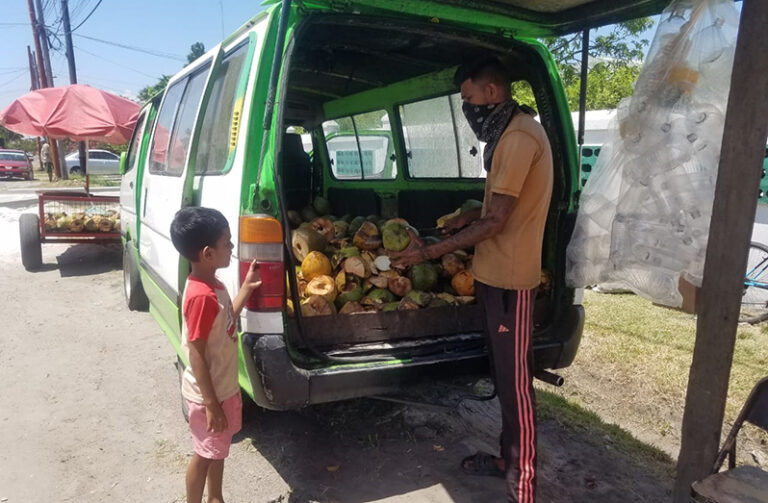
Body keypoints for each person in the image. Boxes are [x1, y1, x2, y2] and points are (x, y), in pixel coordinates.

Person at [391, 57, 553, 503]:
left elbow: (499, 220)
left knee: (516, 384)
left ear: (492, 93)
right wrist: (466, 215)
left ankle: (523, 485)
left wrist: (425, 252)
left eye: (468, 99)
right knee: (503, 376)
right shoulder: (508, 132)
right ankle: (507, 458)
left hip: (510, 283)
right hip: (492, 276)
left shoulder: (519, 137)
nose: (467, 108)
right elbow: (500, 204)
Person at [170, 207, 262, 503]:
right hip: (208, 396)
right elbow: (194, 351)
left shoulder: (213, 285)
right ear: (208, 253)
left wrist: (245, 289)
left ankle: (216, 498)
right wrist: (211, 404)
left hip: (223, 388)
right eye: (228, 243)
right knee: (204, 455)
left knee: (217, 449)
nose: (232, 247)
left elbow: (225, 323)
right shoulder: (201, 297)